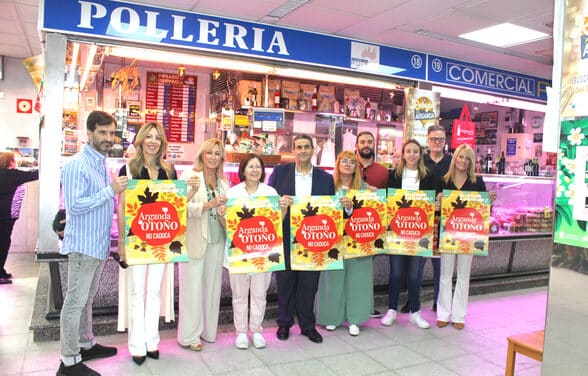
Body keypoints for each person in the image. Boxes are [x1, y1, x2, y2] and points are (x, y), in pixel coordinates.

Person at [116, 122, 194, 365]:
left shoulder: (169, 170)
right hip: (136, 241)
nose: (152, 141)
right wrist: (121, 246)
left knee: (154, 292)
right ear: (140, 140)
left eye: (157, 138)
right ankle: (137, 345)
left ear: (162, 143)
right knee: (137, 291)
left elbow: (176, 205)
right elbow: (121, 208)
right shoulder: (127, 169)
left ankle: (152, 341)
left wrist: (190, 192)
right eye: (148, 137)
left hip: (162, 240)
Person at [58, 111, 129, 376]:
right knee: (75, 301)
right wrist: (111, 190)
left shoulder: (101, 163)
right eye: (102, 132)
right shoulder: (77, 164)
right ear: (89, 134)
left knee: (87, 299)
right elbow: (74, 207)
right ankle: (68, 360)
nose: (108, 138)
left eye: (112, 133)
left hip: (97, 246)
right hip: (83, 246)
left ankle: (85, 343)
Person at [268, 134, 336, 344]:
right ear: (293, 150)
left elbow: (331, 211)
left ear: (314, 150)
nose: (303, 150)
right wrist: (279, 203)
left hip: (314, 239)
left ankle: (307, 326)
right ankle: (284, 323)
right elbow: (269, 204)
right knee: (286, 283)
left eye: (307, 147)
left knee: (309, 285)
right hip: (286, 237)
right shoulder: (279, 173)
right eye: (299, 147)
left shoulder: (325, 178)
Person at [217, 154, 284, 350]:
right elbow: (226, 226)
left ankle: (256, 330)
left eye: (258, 167)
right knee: (239, 295)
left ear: (263, 171)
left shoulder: (270, 191)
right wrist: (222, 215)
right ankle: (240, 332)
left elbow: (277, 221)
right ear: (243, 170)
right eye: (250, 166)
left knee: (259, 295)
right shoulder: (233, 193)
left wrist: (284, 208)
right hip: (239, 253)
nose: (254, 170)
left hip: (264, 253)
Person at [436, 144, 496, 330]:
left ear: (471, 162)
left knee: (463, 275)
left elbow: (484, 210)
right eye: (460, 157)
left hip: (469, 235)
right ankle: (443, 313)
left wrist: (490, 200)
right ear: (455, 159)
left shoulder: (478, 181)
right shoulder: (444, 180)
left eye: (467, 158)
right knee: (445, 275)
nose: (463, 161)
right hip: (448, 234)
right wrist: (437, 204)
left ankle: (459, 315)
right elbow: (436, 210)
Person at [177, 138, 228, 352]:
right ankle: (189, 336)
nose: (213, 157)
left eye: (217, 153)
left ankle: (208, 331)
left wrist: (225, 213)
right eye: (210, 153)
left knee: (212, 287)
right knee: (192, 289)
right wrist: (210, 204)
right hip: (195, 239)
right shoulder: (190, 176)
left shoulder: (224, 182)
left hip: (217, 239)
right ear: (202, 154)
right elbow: (180, 207)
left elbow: (228, 210)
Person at [316, 150, 371, 336]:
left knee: (358, 279)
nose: (348, 164)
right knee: (332, 278)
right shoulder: (327, 185)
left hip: (357, 240)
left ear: (357, 167)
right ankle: (332, 317)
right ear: (338, 164)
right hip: (333, 240)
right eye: (344, 161)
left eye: (352, 162)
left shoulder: (365, 188)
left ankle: (355, 319)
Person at [382, 139, 434, 329]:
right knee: (395, 273)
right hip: (397, 232)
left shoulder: (428, 176)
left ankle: (415, 312)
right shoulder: (394, 175)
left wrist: (435, 204)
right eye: (408, 151)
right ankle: (392, 310)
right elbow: (388, 200)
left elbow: (432, 202)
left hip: (419, 233)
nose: (412, 154)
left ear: (420, 155)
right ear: (403, 154)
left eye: (415, 151)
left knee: (414, 275)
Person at [401, 125, 452, 313]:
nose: (436, 142)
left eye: (440, 139)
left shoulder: (452, 161)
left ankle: (439, 301)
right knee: (417, 264)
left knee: (440, 264)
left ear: (445, 140)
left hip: (443, 220)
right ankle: (412, 300)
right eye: (433, 139)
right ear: (427, 140)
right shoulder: (419, 161)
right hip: (420, 219)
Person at [355, 131, 389, 318]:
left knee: (367, 269)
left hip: (372, 228)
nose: (366, 144)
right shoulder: (349, 166)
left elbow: (388, 200)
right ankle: (352, 303)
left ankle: (367, 306)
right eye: (362, 142)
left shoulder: (383, 171)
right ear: (357, 145)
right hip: (350, 227)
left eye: (369, 141)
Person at [0, 151, 39, 284]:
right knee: (3, 243)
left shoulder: (6, 173)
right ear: (10, 161)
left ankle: (1, 271)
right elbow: (36, 174)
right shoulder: (12, 174)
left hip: (4, 215)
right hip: (5, 216)